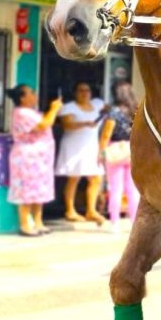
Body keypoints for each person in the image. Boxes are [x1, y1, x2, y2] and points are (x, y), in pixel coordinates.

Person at [6, 84, 61, 236]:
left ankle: (38, 222)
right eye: (31, 93)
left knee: (39, 190)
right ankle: (25, 225)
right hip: (27, 159)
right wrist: (54, 109)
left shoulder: (32, 112)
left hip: (40, 159)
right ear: (22, 98)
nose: (34, 94)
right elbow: (43, 125)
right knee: (26, 191)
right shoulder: (21, 113)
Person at [55, 82, 106, 224]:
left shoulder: (97, 104)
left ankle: (91, 210)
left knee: (96, 178)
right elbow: (67, 125)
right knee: (74, 178)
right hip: (74, 147)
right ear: (75, 93)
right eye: (81, 90)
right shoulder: (69, 107)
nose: (85, 93)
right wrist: (85, 124)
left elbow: (110, 109)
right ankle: (70, 210)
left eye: (87, 90)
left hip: (91, 147)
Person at [99, 81, 140, 232]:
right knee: (132, 189)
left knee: (115, 188)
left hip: (115, 150)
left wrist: (101, 153)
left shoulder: (114, 112)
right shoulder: (136, 110)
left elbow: (106, 135)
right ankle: (134, 221)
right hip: (131, 150)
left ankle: (115, 222)